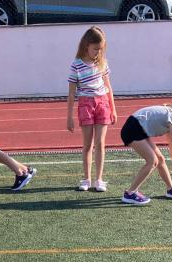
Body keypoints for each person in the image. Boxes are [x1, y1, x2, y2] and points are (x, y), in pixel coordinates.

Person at [66, 26, 116, 193]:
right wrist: (69, 117)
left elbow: (108, 87)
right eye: (95, 49)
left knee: (100, 143)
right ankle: (87, 178)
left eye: (100, 49)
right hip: (85, 104)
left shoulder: (102, 63)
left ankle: (99, 179)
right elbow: (71, 93)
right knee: (87, 144)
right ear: (86, 45)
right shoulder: (76, 65)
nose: (98, 52)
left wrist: (113, 109)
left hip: (102, 104)